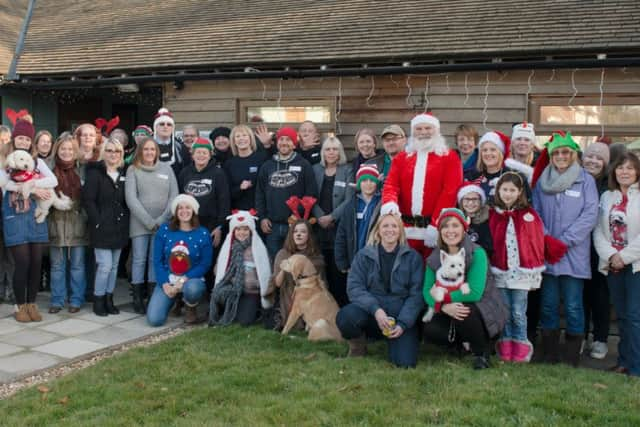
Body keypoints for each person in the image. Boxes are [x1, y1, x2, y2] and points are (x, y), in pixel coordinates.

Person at [532, 131, 599, 366]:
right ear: (551, 155)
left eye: (565, 152)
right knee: (548, 304)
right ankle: (549, 352)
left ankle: (572, 355)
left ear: (572, 154)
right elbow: (535, 213)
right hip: (548, 253)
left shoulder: (585, 180)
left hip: (573, 253)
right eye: (556, 152)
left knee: (572, 304)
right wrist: (547, 239)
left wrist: (566, 240)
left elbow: (590, 214)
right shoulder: (542, 181)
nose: (560, 156)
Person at [423, 209, 508, 369]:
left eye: (455, 226)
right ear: (440, 231)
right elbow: (427, 290)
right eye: (445, 227)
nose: (450, 231)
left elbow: (474, 292)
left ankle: (482, 353)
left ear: (464, 229)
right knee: (430, 327)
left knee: (463, 310)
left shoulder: (477, 253)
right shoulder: (435, 258)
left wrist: (443, 301)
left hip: (483, 309)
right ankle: (459, 344)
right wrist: (442, 307)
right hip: (449, 306)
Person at [336, 214, 424, 368]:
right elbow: (355, 287)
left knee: (405, 364)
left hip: (400, 314)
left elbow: (416, 295)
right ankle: (358, 346)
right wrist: (376, 310)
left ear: (400, 231)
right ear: (378, 231)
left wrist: (403, 324)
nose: (390, 230)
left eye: (394, 226)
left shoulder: (413, 257)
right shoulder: (364, 255)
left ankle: (396, 340)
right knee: (346, 317)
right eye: (385, 226)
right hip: (372, 313)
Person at [0, 115, 58, 322]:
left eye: (27, 139)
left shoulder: (37, 161)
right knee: (22, 263)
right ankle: (19, 305)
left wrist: (32, 186)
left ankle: (32, 304)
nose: (23, 142)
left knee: (35, 262)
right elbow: (5, 184)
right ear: (14, 139)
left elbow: (53, 180)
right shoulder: (5, 161)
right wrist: (33, 190)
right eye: (20, 138)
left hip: (34, 216)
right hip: (14, 215)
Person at [382, 113, 462, 258]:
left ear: (436, 130)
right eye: (419, 129)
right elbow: (391, 184)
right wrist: (389, 202)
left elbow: (450, 192)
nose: (423, 132)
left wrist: (436, 223)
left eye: (427, 128)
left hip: (433, 230)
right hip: (405, 231)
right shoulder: (402, 158)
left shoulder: (449, 157)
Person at [489, 173, 546, 363]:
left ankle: (521, 345)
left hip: (521, 273)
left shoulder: (529, 215)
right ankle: (506, 344)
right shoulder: (493, 214)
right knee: (504, 310)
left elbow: (536, 242)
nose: (508, 194)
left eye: (512, 190)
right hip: (501, 272)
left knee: (518, 311)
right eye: (504, 189)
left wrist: (533, 269)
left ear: (520, 192)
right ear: (498, 190)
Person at [593, 152, 640, 376]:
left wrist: (625, 257)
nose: (625, 172)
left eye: (630, 168)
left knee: (634, 316)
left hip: (635, 265)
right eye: (621, 167)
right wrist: (612, 255)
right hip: (613, 264)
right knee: (621, 314)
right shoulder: (607, 197)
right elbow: (599, 231)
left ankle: (636, 365)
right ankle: (623, 362)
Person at [125, 137, 179, 314]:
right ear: (140, 151)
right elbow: (131, 199)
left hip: (162, 223)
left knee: (155, 260)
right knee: (139, 259)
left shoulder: (167, 169)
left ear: (157, 151)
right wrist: (148, 221)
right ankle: (138, 297)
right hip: (140, 223)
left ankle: (153, 294)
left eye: (152, 149)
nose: (149, 152)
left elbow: (174, 196)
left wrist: (162, 219)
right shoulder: (133, 170)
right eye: (146, 149)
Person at [147, 194, 213, 326]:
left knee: (193, 289)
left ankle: (190, 307)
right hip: (168, 279)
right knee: (155, 320)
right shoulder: (164, 230)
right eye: (180, 208)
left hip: (191, 280)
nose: (184, 211)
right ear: (175, 212)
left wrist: (182, 280)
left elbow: (205, 264)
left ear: (194, 210)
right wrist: (165, 284)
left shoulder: (202, 233)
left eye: (188, 207)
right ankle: (174, 300)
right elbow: (157, 261)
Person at [83, 138, 130, 317]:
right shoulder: (96, 173)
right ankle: (99, 299)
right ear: (104, 152)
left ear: (121, 154)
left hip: (119, 226)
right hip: (101, 226)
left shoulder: (124, 172)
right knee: (104, 265)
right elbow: (88, 200)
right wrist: (97, 220)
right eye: (109, 150)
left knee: (114, 266)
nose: (113, 154)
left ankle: (109, 299)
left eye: (117, 151)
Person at [256, 127, 317, 261]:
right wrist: (262, 217)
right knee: (276, 264)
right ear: (276, 142)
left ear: (294, 144)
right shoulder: (267, 166)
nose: (284, 142)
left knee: (297, 264)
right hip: (272, 226)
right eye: (281, 139)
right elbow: (259, 193)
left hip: (296, 226)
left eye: (288, 139)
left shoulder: (304, 165)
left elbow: (311, 193)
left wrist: (298, 215)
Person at [47, 134, 88, 314]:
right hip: (56, 222)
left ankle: (76, 299)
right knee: (57, 265)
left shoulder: (82, 170)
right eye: (63, 148)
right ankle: (57, 300)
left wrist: (84, 216)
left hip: (77, 222)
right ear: (58, 150)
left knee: (77, 264)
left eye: (70, 149)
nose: (66, 152)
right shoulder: (49, 169)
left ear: (75, 151)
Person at [209, 210, 271, 326]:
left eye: (245, 229)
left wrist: (253, 283)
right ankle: (229, 308)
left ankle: (255, 309)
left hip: (251, 290)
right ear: (233, 231)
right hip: (233, 289)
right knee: (219, 294)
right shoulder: (229, 247)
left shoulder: (257, 248)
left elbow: (265, 272)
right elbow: (219, 270)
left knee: (245, 320)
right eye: (238, 229)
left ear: (251, 231)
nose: (241, 232)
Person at [312, 136, 353, 306]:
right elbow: (310, 195)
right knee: (322, 265)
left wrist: (332, 217)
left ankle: (340, 304)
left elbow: (350, 199)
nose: (331, 152)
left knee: (338, 266)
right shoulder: (315, 170)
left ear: (340, 152)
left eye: (335, 149)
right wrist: (320, 216)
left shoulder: (347, 170)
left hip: (338, 226)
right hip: (319, 227)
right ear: (323, 152)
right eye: (328, 149)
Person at [265, 219, 325, 331]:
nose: (298, 234)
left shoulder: (316, 256)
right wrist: (285, 268)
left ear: (309, 236)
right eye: (295, 231)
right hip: (288, 295)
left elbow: (322, 284)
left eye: (303, 231)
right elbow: (277, 284)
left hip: (310, 296)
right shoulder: (283, 253)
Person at [581, 141, 612, 360]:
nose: (593, 161)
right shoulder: (575, 181)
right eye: (589, 156)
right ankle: (580, 335)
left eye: (599, 158)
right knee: (580, 293)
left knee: (600, 295)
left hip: (601, 249)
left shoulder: (609, 188)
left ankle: (600, 339)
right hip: (578, 247)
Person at [178, 138, 230, 249]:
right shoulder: (185, 173)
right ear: (192, 154)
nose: (201, 155)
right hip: (189, 222)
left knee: (208, 259)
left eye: (204, 152)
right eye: (198, 152)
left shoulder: (218, 173)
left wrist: (220, 226)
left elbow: (224, 201)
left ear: (210, 154)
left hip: (211, 225)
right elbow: (179, 199)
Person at [335, 164, 382, 276]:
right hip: (355, 260)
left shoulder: (382, 204)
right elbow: (341, 235)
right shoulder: (351, 206)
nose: (368, 184)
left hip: (377, 261)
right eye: (364, 180)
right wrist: (342, 262)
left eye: (372, 180)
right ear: (359, 183)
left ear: (377, 183)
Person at [464, 130, 530, 204]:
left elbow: (525, 206)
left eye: (493, 150)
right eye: (484, 150)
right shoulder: (473, 178)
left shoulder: (515, 177)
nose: (488, 153)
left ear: (500, 153)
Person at [223, 125, 268, 211]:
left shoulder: (261, 159)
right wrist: (240, 188)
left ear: (250, 138)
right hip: (237, 213)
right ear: (234, 141)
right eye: (237, 136)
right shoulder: (229, 164)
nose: (241, 138)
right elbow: (227, 192)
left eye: (244, 135)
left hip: (259, 211)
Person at [457, 180, 492, 256]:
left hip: (480, 259)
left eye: (475, 199)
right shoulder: (456, 219)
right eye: (467, 199)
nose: (470, 203)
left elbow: (488, 248)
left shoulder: (487, 221)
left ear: (481, 201)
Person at [153, 107, 190, 176]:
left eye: (169, 124)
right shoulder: (146, 146)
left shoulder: (180, 147)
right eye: (162, 124)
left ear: (172, 128)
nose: (165, 127)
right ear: (155, 127)